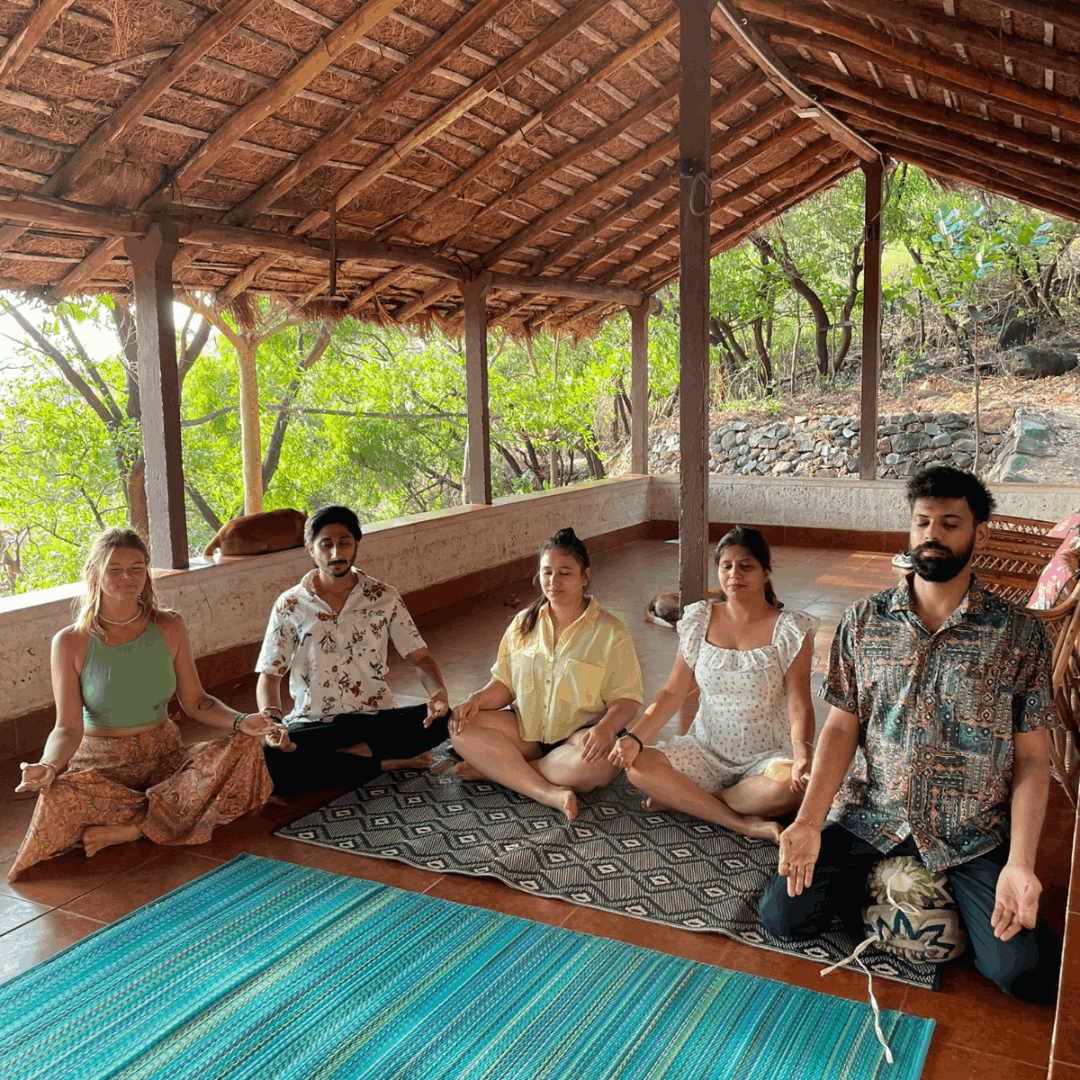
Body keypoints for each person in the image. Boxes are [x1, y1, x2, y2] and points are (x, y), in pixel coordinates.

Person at [760, 466, 1061, 1002]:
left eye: (949, 523)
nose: (932, 534)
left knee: (1026, 973)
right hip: (872, 816)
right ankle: (900, 896)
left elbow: (1034, 761)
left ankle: (921, 900)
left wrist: (1021, 862)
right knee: (782, 916)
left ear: (979, 534)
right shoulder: (863, 621)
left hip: (968, 831)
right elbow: (840, 728)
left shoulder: (1018, 634)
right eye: (922, 521)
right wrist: (808, 820)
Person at [10, 528, 289, 881]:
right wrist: (49, 766)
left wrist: (241, 721)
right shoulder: (70, 642)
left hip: (163, 756)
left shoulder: (169, 625)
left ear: (147, 573)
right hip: (102, 764)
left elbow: (196, 701)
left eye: (136, 568)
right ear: (94, 573)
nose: (127, 577)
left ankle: (134, 827)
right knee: (59, 797)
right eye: (115, 569)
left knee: (246, 751)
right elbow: (67, 727)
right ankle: (162, 815)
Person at [610, 527, 818, 843]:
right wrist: (635, 737)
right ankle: (743, 822)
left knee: (790, 787)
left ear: (765, 572)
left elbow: (799, 703)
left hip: (765, 758)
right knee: (638, 766)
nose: (735, 574)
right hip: (704, 751)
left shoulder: (789, 630)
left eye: (746, 566)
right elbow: (672, 691)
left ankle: (688, 801)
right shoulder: (698, 619)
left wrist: (803, 752)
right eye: (727, 566)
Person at [450, 527, 643, 820]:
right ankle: (546, 791)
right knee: (460, 727)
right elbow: (504, 683)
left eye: (564, 573)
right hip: (526, 734)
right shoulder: (523, 624)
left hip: (579, 740)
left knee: (597, 765)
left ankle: (498, 770)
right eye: (547, 572)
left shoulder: (610, 632)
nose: (553, 581)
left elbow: (628, 699)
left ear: (584, 577)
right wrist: (474, 700)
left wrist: (605, 729)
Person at [256, 505, 450, 795]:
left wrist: (438, 692)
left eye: (344, 542)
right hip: (316, 722)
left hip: (375, 718)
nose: (336, 553)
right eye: (326, 545)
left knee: (443, 720)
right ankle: (388, 763)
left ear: (357, 544)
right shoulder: (290, 605)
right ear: (310, 550)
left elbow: (419, 656)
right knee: (270, 756)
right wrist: (272, 724)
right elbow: (270, 675)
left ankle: (344, 760)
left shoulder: (384, 597)